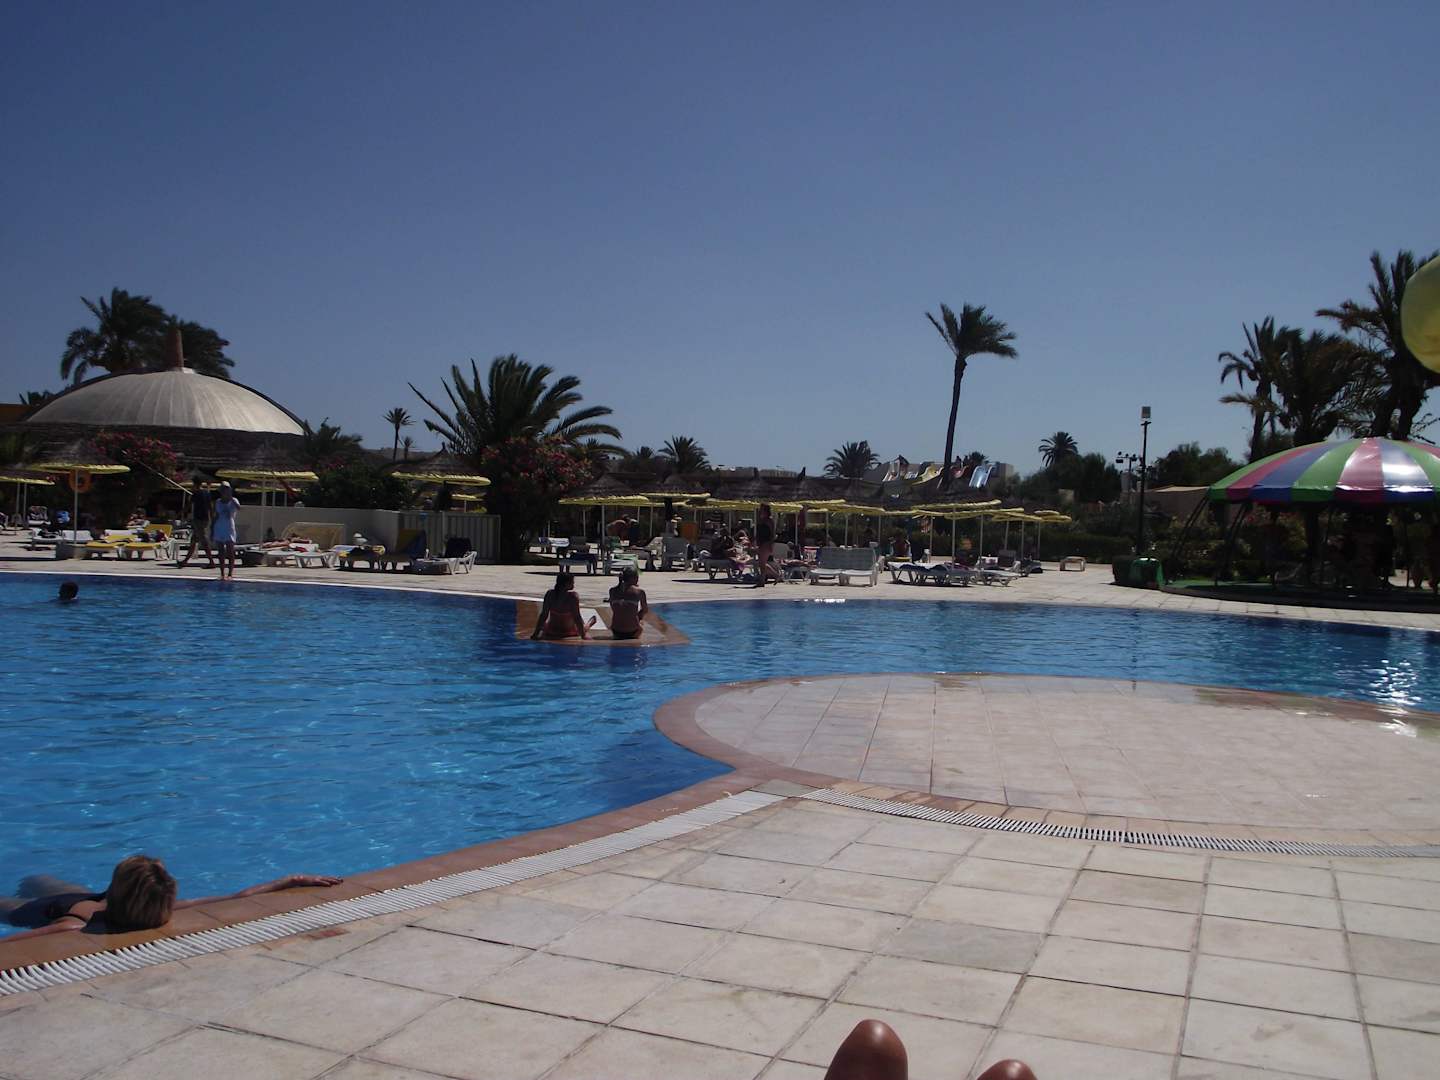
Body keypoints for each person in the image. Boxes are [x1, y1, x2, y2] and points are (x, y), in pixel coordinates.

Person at [0, 854, 341, 939]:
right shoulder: (75, 925)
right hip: (59, 904)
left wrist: (291, 880)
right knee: (34, 880)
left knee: (34, 879)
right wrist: (290, 879)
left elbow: (236, 897)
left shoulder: (74, 925)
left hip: (50, 906)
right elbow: (235, 897)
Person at [531, 571, 595, 640]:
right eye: (572, 582)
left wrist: (535, 633)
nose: (573, 583)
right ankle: (589, 623)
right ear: (566, 584)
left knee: (545, 623)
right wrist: (583, 635)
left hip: (551, 630)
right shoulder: (573, 597)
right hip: (568, 632)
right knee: (583, 625)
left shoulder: (550, 594)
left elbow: (544, 615)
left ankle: (587, 624)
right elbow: (577, 618)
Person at [177, 479, 215, 569]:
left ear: (195, 484)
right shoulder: (207, 493)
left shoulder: (196, 494)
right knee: (194, 540)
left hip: (198, 519)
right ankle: (185, 561)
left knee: (203, 541)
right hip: (205, 519)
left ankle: (211, 562)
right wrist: (212, 518)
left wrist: (179, 514)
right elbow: (210, 507)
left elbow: (188, 505)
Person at [607, 567, 649, 640]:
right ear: (633, 578)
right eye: (637, 577)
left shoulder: (612, 591)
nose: (638, 580)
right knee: (641, 623)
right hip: (633, 630)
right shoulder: (639, 592)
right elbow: (645, 610)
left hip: (616, 630)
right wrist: (638, 618)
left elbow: (614, 609)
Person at [212, 481, 241, 580]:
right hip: (219, 527)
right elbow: (216, 515)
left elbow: (239, 508)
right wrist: (212, 528)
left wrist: (231, 498)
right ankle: (222, 573)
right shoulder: (218, 502)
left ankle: (230, 573)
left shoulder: (234, 500)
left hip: (229, 527)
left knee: (230, 551)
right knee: (221, 552)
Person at [753, 503, 777, 588]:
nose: (760, 510)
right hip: (761, 542)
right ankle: (776, 575)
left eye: (762, 509)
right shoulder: (760, 520)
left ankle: (762, 581)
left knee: (762, 563)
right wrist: (754, 541)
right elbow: (758, 533)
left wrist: (771, 544)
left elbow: (772, 534)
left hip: (766, 543)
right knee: (762, 563)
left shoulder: (769, 520)